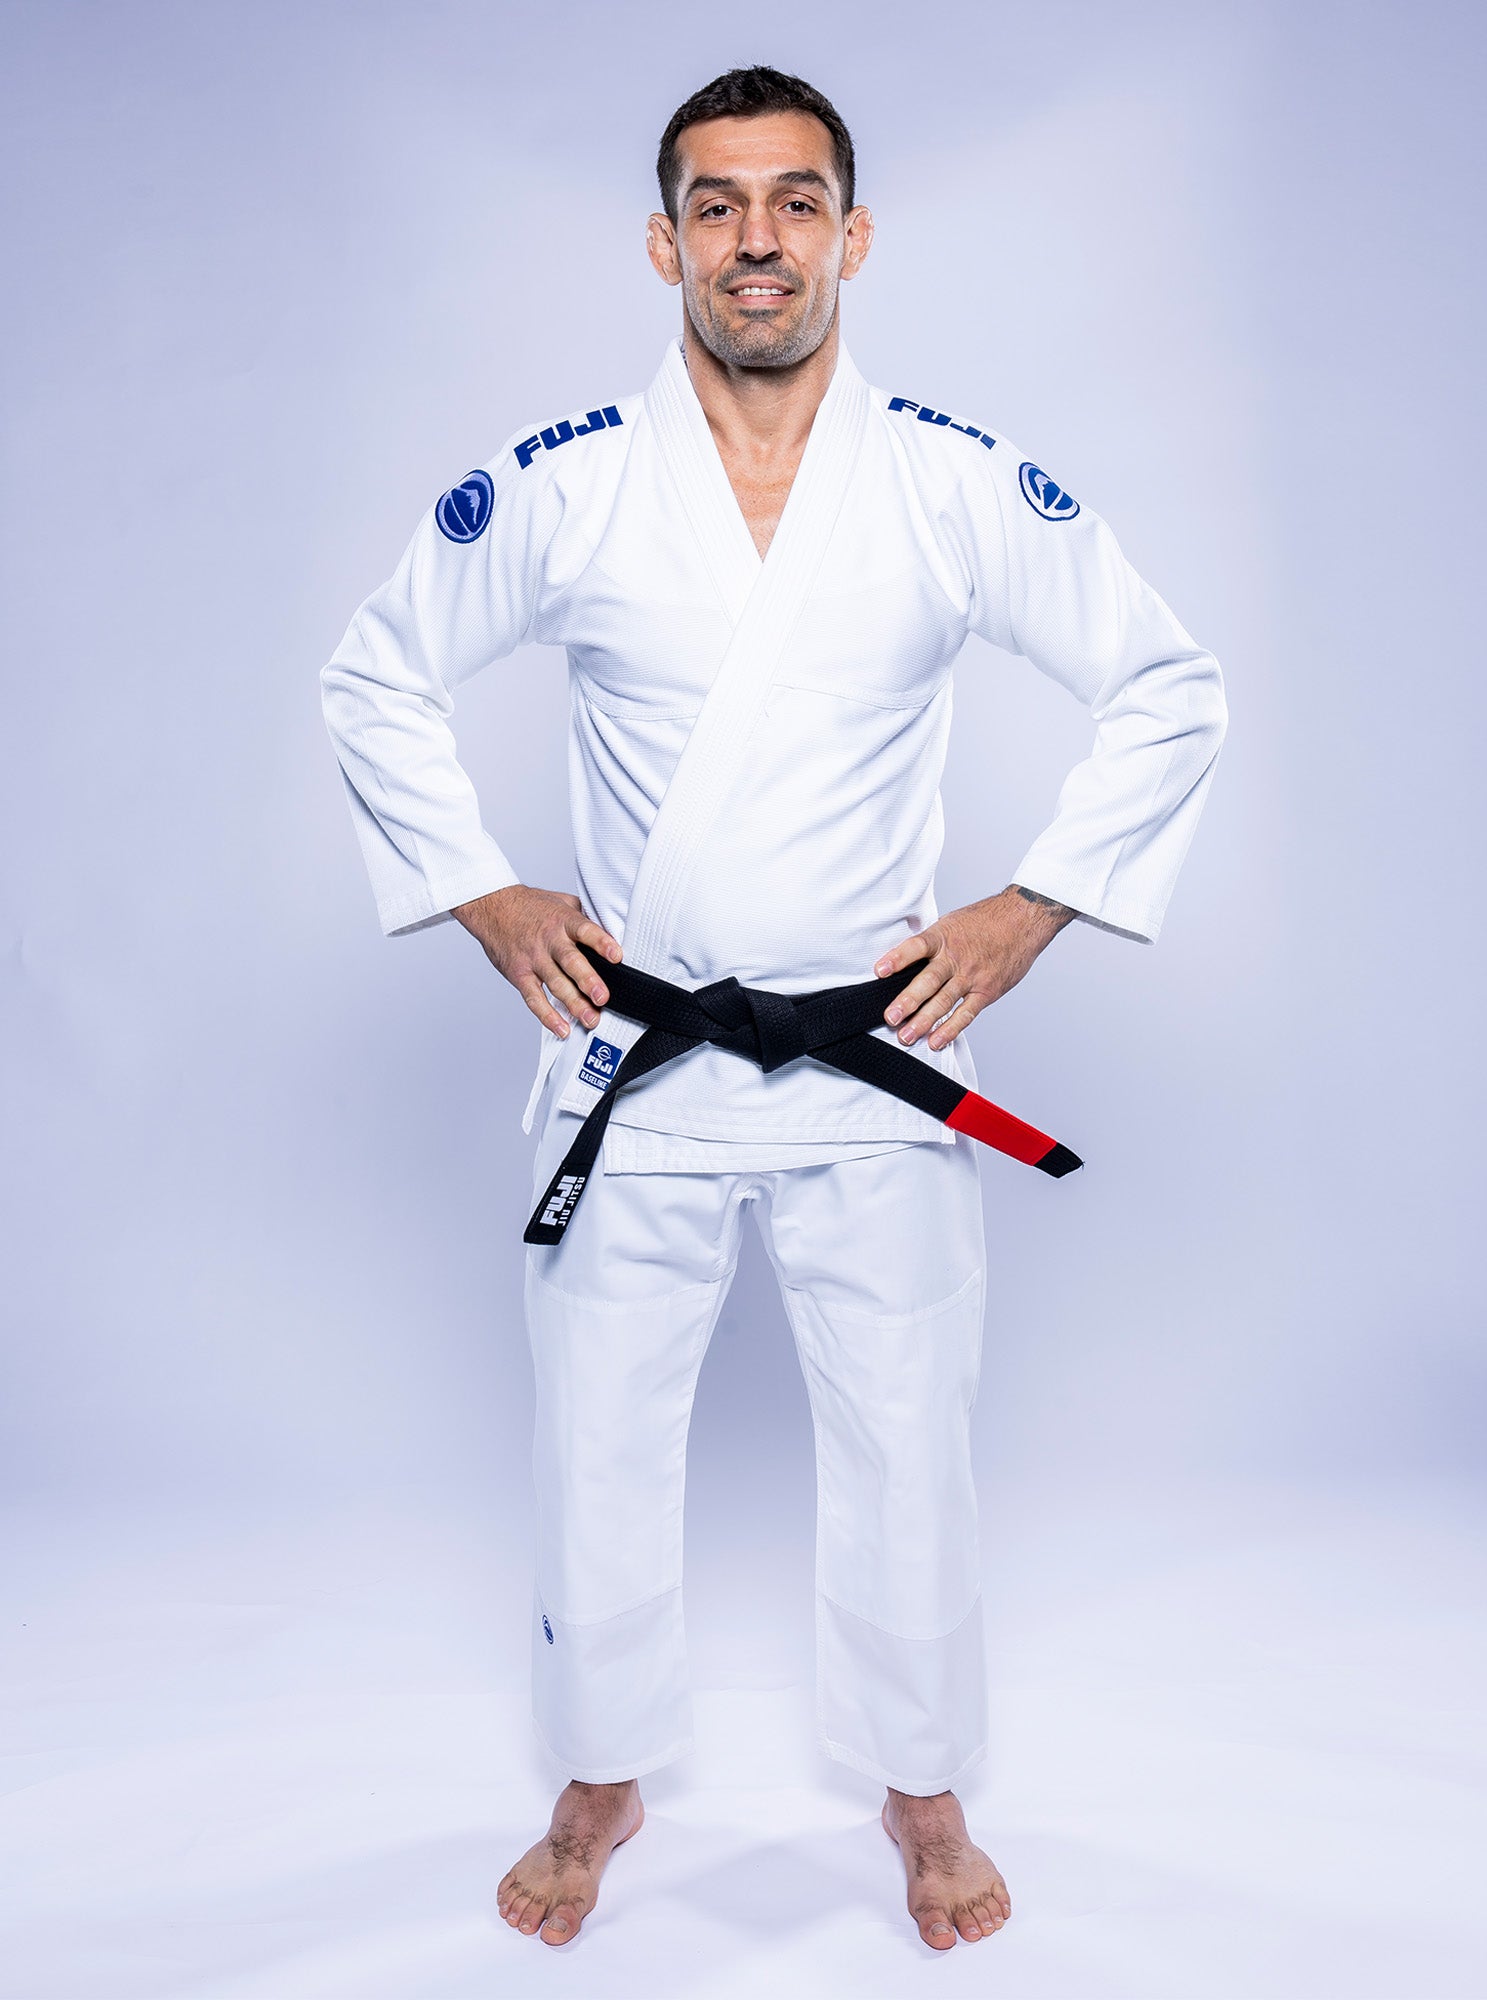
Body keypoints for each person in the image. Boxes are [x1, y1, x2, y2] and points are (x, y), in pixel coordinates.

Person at [319, 66, 1227, 1952]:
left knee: (911, 1445)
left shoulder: (954, 481)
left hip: (875, 1060)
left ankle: (923, 1790)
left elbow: (1170, 686)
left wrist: (1032, 907)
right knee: (596, 1440)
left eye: (796, 202)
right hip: (639, 1059)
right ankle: (599, 1777)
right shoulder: (571, 477)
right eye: (718, 206)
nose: (758, 240)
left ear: (853, 238)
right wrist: (482, 892)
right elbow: (375, 673)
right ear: (664, 245)